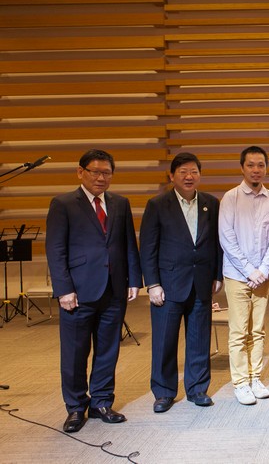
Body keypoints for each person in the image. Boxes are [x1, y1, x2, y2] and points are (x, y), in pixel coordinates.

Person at [45, 149, 142, 433]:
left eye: (107, 173)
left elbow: (128, 245)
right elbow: (56, 249)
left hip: (113, 290)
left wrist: (134, 280)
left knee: (108, 350)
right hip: (77, 291)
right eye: (95, 172)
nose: (101, 178)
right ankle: (75, 407)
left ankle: (101, 402)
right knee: (75, 353)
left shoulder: (120, 203)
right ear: (80, 172)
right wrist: (64, 289)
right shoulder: (63, 204)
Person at [139, 152, 224, 413]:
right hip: (168, 285)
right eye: (183, 172)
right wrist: (152, 284)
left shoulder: (211, 203)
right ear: (172, 176)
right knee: (165, 341)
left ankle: (197, 388)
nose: (189, 177)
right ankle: (164, 392)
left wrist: (217, 275)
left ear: (200, 175)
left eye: (194, 172)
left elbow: (217, 244)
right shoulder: (157, 204)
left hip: (201, 283)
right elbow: (148, 247)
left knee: (199, 339)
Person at [218, 146, 269, 405]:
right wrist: (250, 271)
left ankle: (255, 377)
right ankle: (241, 383)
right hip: (237, 275)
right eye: (251, 165)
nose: (256, 170)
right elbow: (227, 238)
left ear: (266, 168)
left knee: (258, 330)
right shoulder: (231, 198)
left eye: (261, 165)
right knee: (238, 331)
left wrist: (263, 270)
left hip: (263, 276)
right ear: (242, 167)